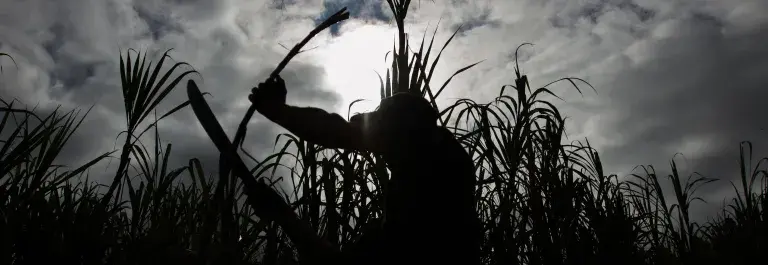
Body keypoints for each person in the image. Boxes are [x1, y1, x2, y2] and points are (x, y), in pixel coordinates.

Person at [249, 75, 480, 265]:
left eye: (381, 115)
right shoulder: (437, 160)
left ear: (401, 130)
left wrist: (282, 215)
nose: (361, 118)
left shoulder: (431, 178)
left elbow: (339, 130)